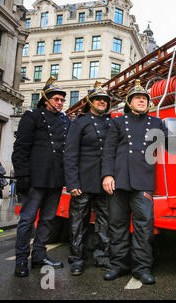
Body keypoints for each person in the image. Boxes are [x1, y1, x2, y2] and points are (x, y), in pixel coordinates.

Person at [101, 80, 176, 284]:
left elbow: (170, 141)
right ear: (129, 102)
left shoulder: (155, 123)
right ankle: (118, 265)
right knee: (117, 225)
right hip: (118, 181)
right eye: (138, 98)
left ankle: (142, 268)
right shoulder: (117, 122)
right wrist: (107, 175)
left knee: (144, 227)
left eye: (144, 98)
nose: (142, 101)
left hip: (142, 182)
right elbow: (108, 151)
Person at [12, 76, 70, 277]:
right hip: (35, 178)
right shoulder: (32, 116)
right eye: (56, 99)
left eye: (62, 100)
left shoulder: (65, 120)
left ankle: (38, 256)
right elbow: (20, 148)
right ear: (46, 100)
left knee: (47, 220)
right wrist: (23, 175)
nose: (60, 102)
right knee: (27, 220)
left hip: (55, 179)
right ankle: (21, 260)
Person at [64, 81, 112, 276]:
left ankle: (102, 257)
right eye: (98, 99)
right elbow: (70, 154)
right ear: (90, 102)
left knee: (104, 222)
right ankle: (77, 259)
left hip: (104, 182)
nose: (102, 102)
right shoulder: (79, 122)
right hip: (82, 182)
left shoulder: (111, 123)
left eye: (105, 100)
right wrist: (72, 183)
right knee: (78, 223)